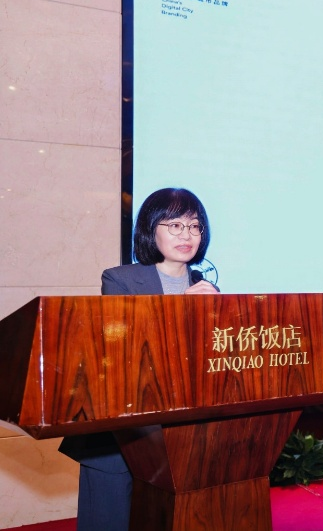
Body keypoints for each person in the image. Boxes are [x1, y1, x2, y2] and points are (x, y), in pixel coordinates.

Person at [59, 187, 219, 530]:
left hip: (180, 436)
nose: (186, 235)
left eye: (194, 226)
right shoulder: (119, 279)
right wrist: (182, 310)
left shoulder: (208, 289)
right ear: (150, 228)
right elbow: (122, 348)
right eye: (174, 225)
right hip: (121, 429)